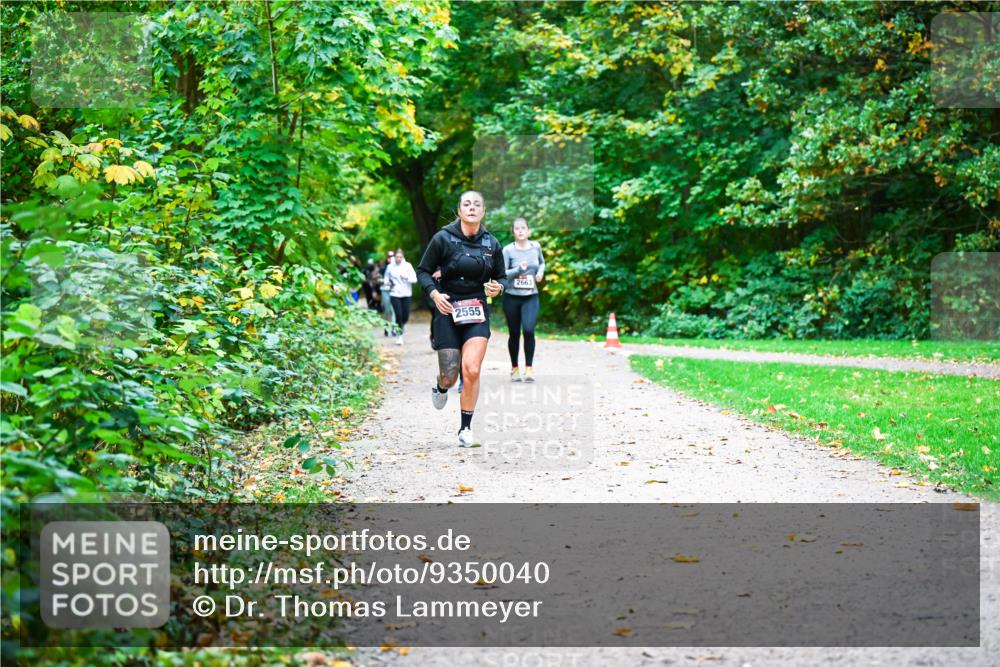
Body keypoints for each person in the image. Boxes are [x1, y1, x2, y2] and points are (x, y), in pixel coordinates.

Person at [416, 190, 505, 447]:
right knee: (450, 375)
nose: (472, 207)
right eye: (467, 204)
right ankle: (440, 386)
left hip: (476, 309)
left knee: (473, 370)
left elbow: (501, 277)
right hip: (447, 309)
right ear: (459, 210)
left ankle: (465, 429)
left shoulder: (491, 243)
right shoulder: (443, 238)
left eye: (477, 204)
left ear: (483, 211)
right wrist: (434, 294)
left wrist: (498, 287)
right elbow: (423, 271)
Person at [502, 217, 545, 382]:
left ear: (528, 230)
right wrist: (518, 269)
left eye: (523, 228)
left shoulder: (536, 247)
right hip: (512, 297)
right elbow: (502, 274)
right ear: (513, 231)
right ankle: (514, 369)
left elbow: (542, 263)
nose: (520, 231)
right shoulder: (507, 250)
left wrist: (540, 273)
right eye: (517, 228)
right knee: (514, 333)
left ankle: (529, 368)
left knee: (528, 330)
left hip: (530, 297)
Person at [384, 248, 417, 345]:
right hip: (394, 293)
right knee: (398, 315)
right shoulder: (390, 267)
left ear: (403, 257)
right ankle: (400, 337)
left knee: (405, 316)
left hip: (406, 294)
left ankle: (404, 324)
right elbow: (386, 277)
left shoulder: (408, 266)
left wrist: (406, 277)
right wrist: (387, 282)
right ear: (394, 257)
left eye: (400, 257)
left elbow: (415, 279)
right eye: (397, 257)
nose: (398, 259)